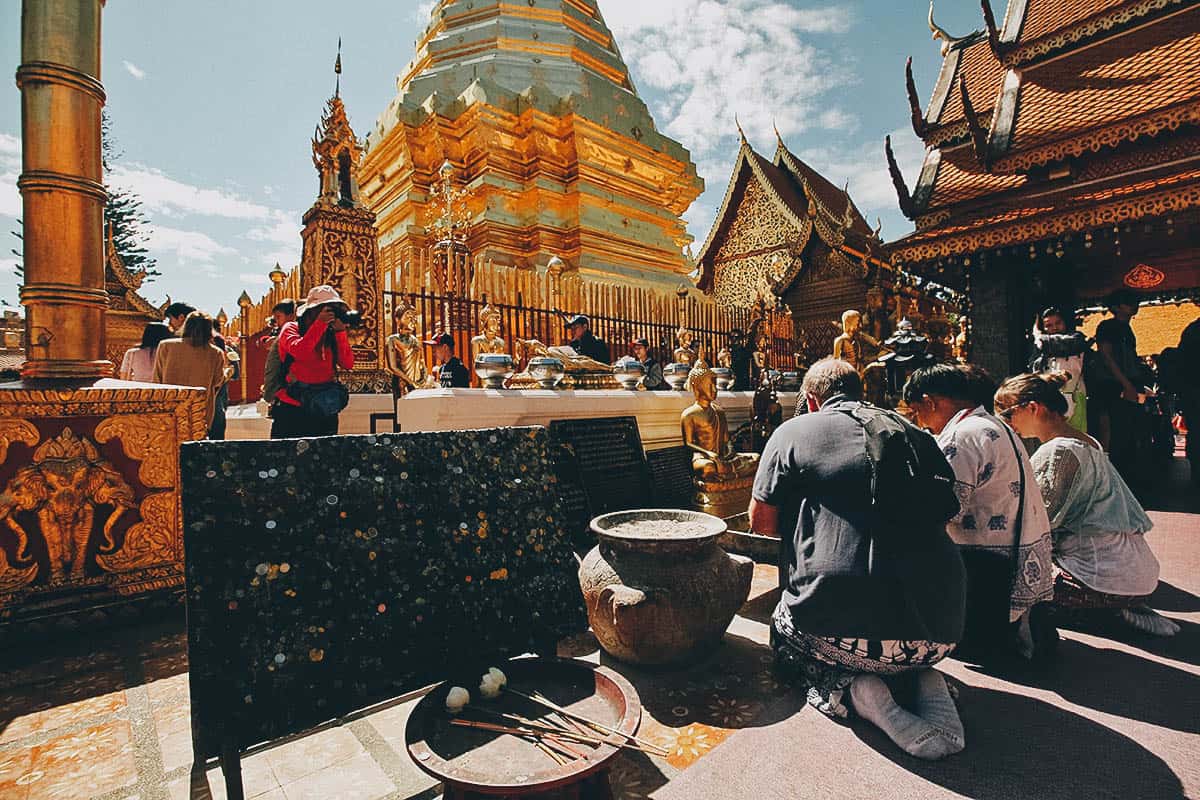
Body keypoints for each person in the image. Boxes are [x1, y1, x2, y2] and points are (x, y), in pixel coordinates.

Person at [750, 359, 967, 760]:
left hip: (847, 637)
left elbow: (762, 522)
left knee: (782, 633)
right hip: (943, 631)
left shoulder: (793, 431)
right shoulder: (916, 434)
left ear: (812, 400)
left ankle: (854, 690)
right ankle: (924, 679)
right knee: (901, 620)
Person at [994, 372, 1178, 636]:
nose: (1008, 425)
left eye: (1007, 415)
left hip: (1102, 578)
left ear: (1033, 408)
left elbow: (1038, 520)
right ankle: (1120, 609)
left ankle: (1103, 615)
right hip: (1137, 576)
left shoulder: (1056, 451)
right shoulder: (1086, 440)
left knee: (1008, 577)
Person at [903, 363, 1055, 661]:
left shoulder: (961, 437)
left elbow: (945, 508)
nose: (919, 421)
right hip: (1019, 552)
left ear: (929, 402)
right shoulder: (993, 425)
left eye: (916, 411)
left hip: (990, 567)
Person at [271, 285, 354, 439]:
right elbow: (300, 351)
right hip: (293, 409)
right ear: (311, 310)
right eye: (325, 308)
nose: (330, 313)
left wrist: (340, 333)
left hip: (324, 407)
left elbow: (347, 363)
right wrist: (319, 325)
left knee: (325, 460)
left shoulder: (331, 333)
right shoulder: (291, 328)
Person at [1088, 289, 1144, 476]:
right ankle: (1109, 470)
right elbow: (1106, 356)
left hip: (1123, 381)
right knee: (1112, 427)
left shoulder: (1127, 328)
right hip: (1110, 384)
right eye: (1127, 303)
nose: (1133, 306)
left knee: (1125, 428)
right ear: (1115, 307)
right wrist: (1126, 383)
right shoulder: (1107, 326)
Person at [152, 311, 229, 435]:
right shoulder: (216, 353)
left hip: (169, 410)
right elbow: (217, 381)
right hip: (200, 411)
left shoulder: (165, 346)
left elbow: (157, 379)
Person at [1028, 307, 1088, 432]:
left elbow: (1060, 344)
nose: (1054, 327)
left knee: (1078, 436)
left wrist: (1040, 338)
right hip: (1051, 397)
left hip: (1075, 395)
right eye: (1049, 325)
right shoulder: (1040, 348)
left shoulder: (1076, 339)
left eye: (1058, 323)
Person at [262, 299, 297, 414]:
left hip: (286, 387)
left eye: (279, 317)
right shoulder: (279, 332)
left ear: (291, 316)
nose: (276, 321)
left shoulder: (292, 333)